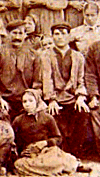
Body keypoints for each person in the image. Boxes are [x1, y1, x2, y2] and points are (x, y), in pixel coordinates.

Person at [13, 89, 90, 176]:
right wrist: (21, 152)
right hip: (31, 155)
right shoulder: (18, 120)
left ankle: (67, 165)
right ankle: (57, 169)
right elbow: (15, 141)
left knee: (55, 155)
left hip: (46, 151)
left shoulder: (47, 118)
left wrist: (45, 143)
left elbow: (58, 138)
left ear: (37, 101)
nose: (27, 104)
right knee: (18, 164)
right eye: (24, 101)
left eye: (31, 101)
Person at [40, 22, 89, 157]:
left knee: (82, 114)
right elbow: (47, 78)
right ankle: (61, 155)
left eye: (63, 34)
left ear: (69, 36)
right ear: (52, 36)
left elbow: (81, 79)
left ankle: (75, 154)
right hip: (55, 98)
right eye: (56, 34)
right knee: (54, 117)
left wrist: (80, 97)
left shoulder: (78, 57)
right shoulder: (46, 56)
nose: (60, 37)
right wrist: (51, 99)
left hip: (72, 97)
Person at [0, 20, 42, 121]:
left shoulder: (34, 55)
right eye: (14, 33)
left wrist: (30, 99)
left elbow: (38, 82)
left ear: (25, 35)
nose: (17, 37)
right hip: (2, 99)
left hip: (25, 100)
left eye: (20, 33)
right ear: (8, 34)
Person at [85, 30, 100, 158]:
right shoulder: (95, 48)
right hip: (99, 94)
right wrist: (94, 96)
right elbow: (90, 75)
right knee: (95, 111)